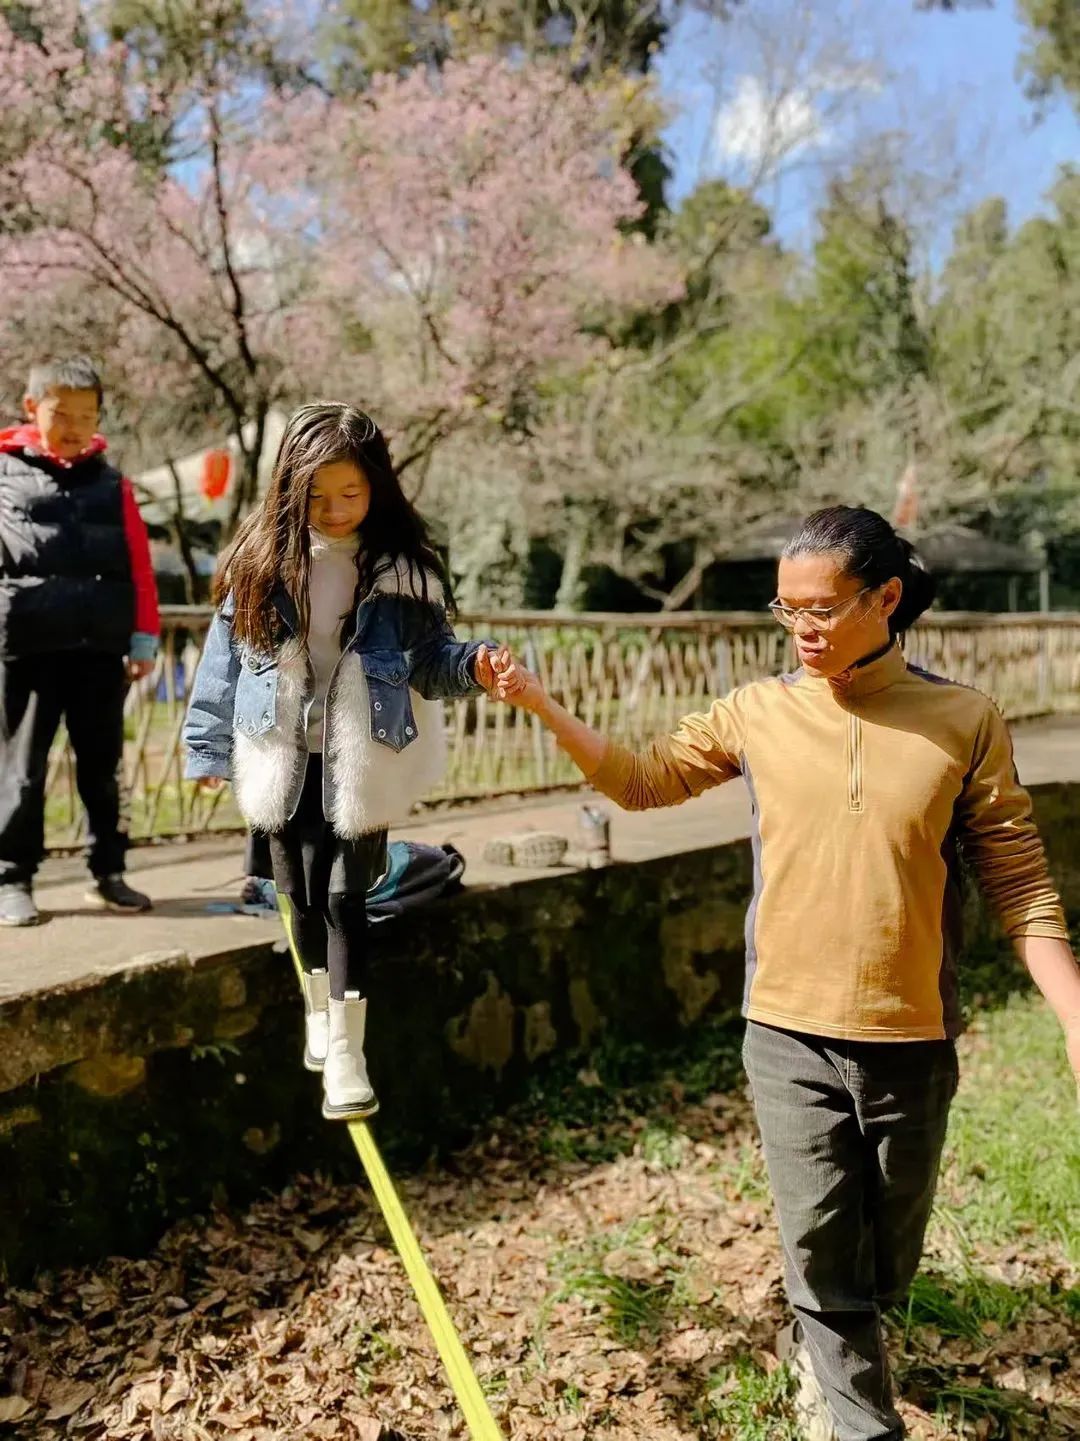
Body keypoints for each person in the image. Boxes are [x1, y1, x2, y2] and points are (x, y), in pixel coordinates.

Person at [491, 504, 1080, 1441]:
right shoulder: (758, 712)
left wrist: (1074, 1016)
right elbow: (646, 781)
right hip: (788, 1029)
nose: (802, 628)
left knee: (889, 1248)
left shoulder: (962, 720)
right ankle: (853, 1412)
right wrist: (543, 707)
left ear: (886, 597)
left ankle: (847, 1328)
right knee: (817, 1232)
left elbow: (1017, 876)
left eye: (824, 607)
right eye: (786, 609)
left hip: (912, 1034)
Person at [182, 403, 502, 1122]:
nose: (333, 510)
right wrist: (205, 747)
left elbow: (432, 663)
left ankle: (350, 1050)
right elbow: (222, 662)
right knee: (293, 891)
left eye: (349, 494)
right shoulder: (259, 565)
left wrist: (475, 665)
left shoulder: (406, 572)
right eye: (317, 495)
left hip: (364, 756)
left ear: (376, 489)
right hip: (282, 751)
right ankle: (317, 1010)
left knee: (343, 895)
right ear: (290, 490)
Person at [0, 356, 160, 926]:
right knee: (21, 768)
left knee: (102, 766)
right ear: (30, 408)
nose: (72, 426)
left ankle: (108, 872)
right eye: (60, 413)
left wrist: (143, 638)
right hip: (27, 646)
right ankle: (11, 878)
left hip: (99, 648)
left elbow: (139, 565)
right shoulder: (4, 472)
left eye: (85, 415)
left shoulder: (112, 483)